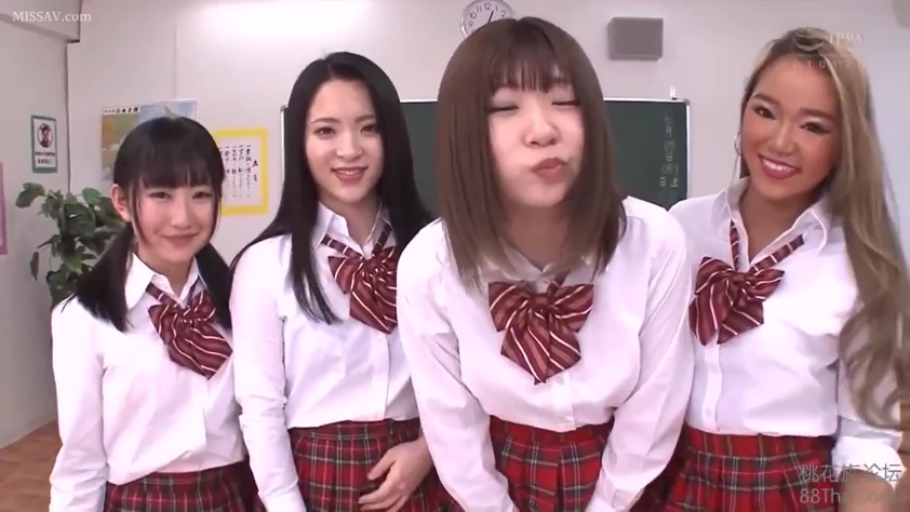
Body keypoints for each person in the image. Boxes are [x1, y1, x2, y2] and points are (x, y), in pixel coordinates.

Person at [395, 17, 695, 512]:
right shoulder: (429, 265)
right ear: (462, 133)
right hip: (492, 484)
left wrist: (610, 502)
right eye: (505, 108)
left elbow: (655, 405)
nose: (543, 130)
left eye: (564, 101)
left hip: (628, 483)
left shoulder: (654, 241)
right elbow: (452, 429)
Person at [638, 27, 908, 511]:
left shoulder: (862, 265)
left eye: (814, 127)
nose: (781, 142)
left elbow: (872, 440)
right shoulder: (682, 226)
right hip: (674, 479)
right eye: (765, 112)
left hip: (795, 488)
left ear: (846, 144)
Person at [230, 51, 449, 512]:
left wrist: (428, 450)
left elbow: (469, 373)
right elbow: (261, 408)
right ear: (300, 142)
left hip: (425, 471)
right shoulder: (265, 264)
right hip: (314, 480)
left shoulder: (435, 249)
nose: (349, 150)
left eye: (369, 128)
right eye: (326, 131)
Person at [49, 117, 256, 511]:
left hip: (232, 497)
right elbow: (81, 460)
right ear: (122, 202)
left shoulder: (241, 300)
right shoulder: (82, 319)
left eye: (201, 194)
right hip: (140, 501)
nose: (183, 217)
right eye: (161, 195)